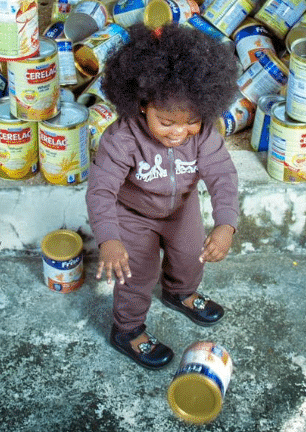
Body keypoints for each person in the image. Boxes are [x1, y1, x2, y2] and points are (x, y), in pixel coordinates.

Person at [87, 23, 241, 370]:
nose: (179, 133)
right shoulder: (121, 138)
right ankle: (127, 330)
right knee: (136, 273)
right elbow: (101, 191)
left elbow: (223, 175)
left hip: (180, 208)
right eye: (167, 121)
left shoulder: (204, 135)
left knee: (190, 255)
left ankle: (179, 292)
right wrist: (109, 239)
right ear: (142, 104)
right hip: (132, 215)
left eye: (191, 122)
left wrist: (226, 224)